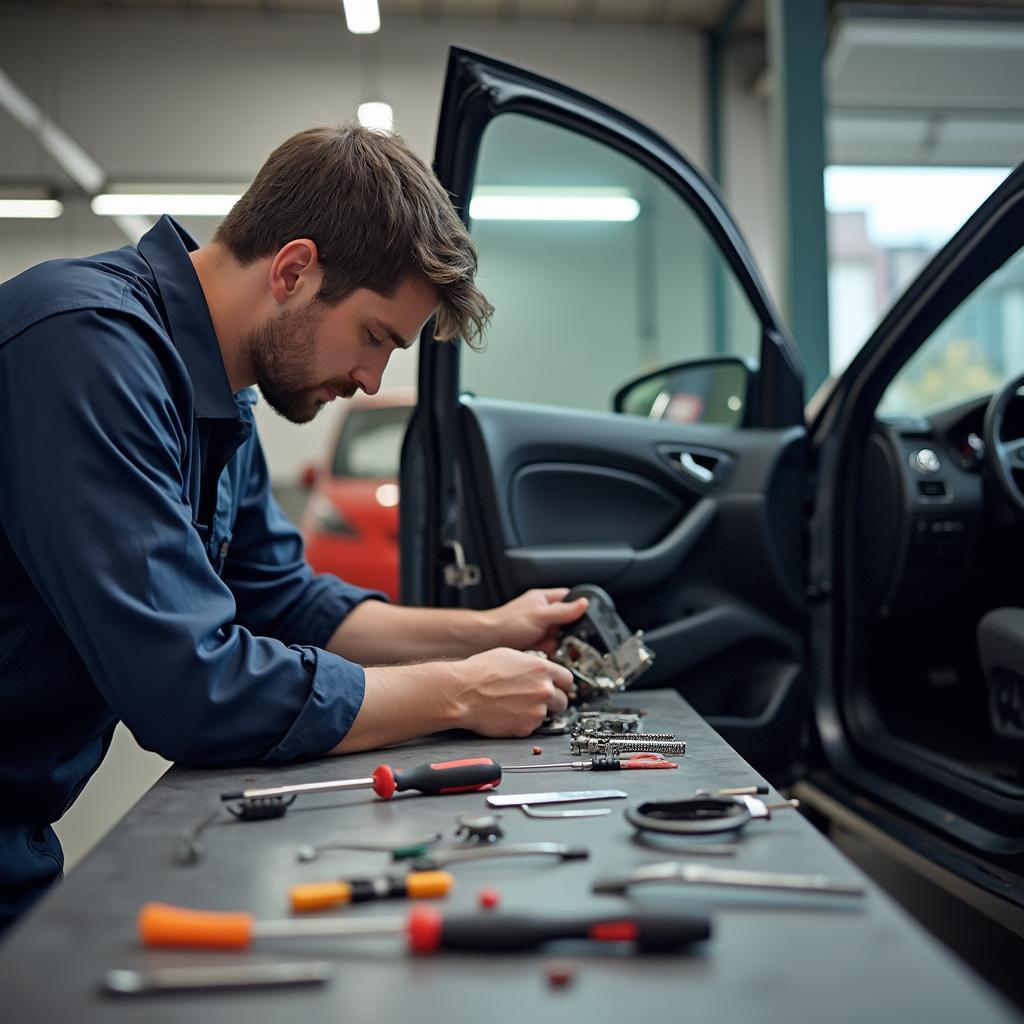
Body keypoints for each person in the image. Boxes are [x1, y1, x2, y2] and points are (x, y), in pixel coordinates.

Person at [0, 123, 586, 933]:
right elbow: (191, 687)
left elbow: (283, 599)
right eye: (376, 336)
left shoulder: (217, 394)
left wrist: (489, 630)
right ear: (295, 270)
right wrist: (457, 691)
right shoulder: (82, 347)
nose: (371, 377)